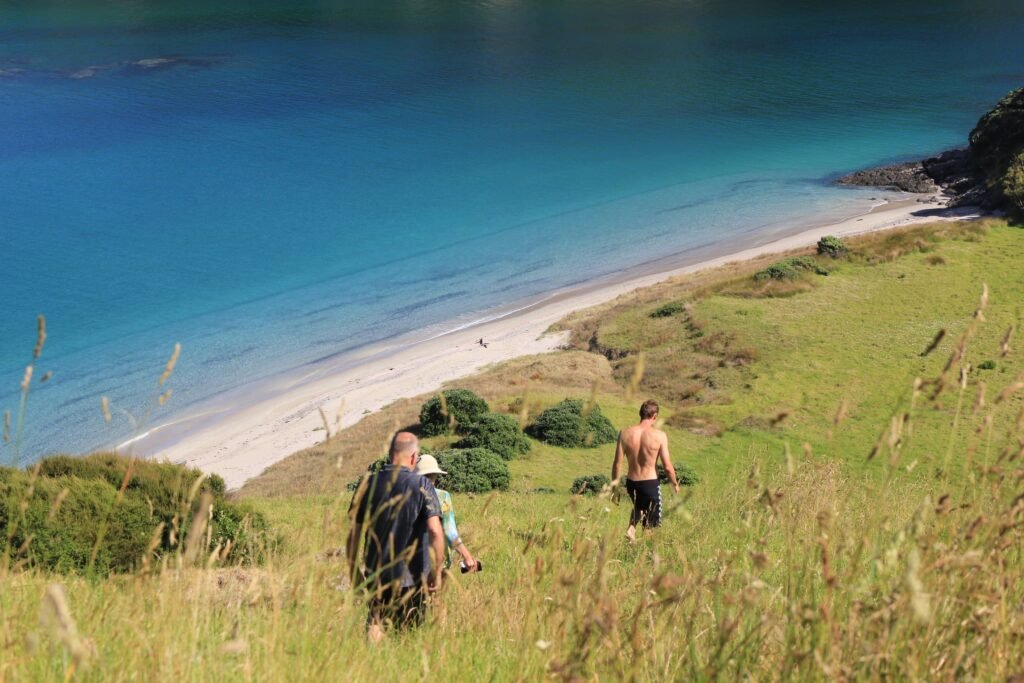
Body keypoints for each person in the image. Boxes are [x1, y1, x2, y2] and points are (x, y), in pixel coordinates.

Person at [346, 432, 445, 641]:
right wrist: (436, 571)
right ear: (413, 456)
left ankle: (373, 666)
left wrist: (354, 570)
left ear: (391, 453)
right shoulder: (423, 485)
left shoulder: (366, 485)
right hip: (414, 576)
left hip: (376, 574)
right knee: (410, 633)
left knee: (376, 620)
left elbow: (353, 534)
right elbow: (435, 531)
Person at [610, 399, 680, 541]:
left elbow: (617, 464)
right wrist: (675, 484)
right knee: (650, 526)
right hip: (650, 484)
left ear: (640, 413)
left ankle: (631, 529)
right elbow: (667, 466)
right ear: (654, 416)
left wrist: (615, 488)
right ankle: (646, 553)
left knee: (639, 505)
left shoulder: (624, 433)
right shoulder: (660, 436)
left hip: (632, 483)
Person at [414, 454, 479, 572]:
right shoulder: (442, 496)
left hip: (407, 563)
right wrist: (467, 556)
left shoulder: (403, 495)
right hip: (437, 561)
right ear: (435, 475)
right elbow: (450, 531)